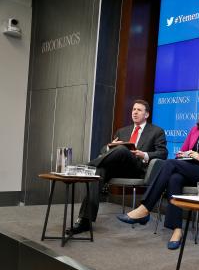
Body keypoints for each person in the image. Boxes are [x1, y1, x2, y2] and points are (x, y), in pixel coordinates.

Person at [117, 97, 199, 250]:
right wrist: (183, 154)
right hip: (188, 169)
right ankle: (177, 231)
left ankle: (145, 207)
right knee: (174, 178)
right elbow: (182, 150)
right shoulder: (195, 130)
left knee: (170, 164)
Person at [69, 100, 167, 234]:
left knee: (122, 149)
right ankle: (85, 221)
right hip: (120, 169)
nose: (135, 112)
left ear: (147, 114)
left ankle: (87, 166)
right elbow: (105, 150)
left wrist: (142, 154)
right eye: (133, 109)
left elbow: (163, 153)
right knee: (99, 171)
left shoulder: (156, 131)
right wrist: (110, 146)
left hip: (138, 169)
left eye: (139, 110)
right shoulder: (123, 131)